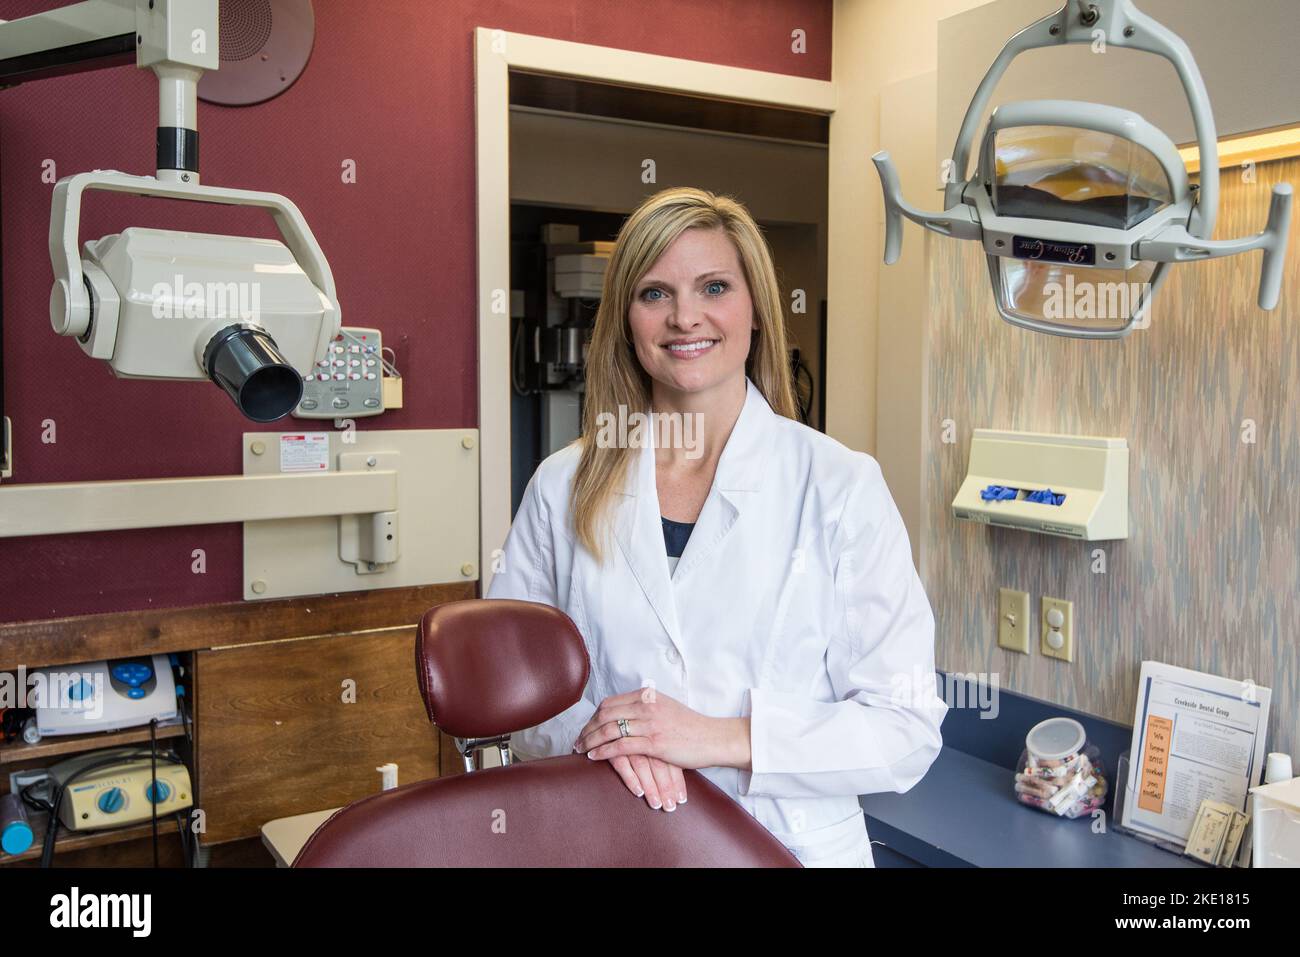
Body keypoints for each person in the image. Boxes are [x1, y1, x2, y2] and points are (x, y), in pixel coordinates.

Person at [487, 186, 947, 867]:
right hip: (609, 838)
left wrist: (720, 736)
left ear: (755, 307)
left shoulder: (839, 486)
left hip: (787, 849)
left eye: (713, 286)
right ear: (625, 318)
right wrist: (605, 732)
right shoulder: (562, 486)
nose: (685, 317)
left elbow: (905, 727)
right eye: (654, 293)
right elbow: (509, 688)